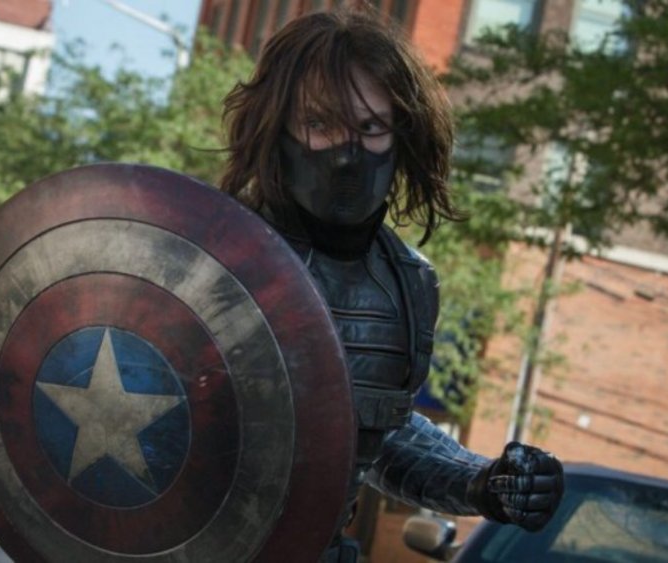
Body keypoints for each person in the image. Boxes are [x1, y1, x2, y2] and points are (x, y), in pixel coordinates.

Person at [219, 8, 564, 561]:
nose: (347, 149)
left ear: (401, 133)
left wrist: (483, 482)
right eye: (321, 123)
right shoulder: (206, 250)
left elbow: (377, 439)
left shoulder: (408, 283)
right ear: (275, 123)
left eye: (371, 127)